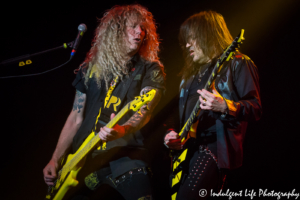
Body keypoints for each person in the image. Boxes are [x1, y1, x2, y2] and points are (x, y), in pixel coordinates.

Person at [43, 4, 165, 200]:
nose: (139, 32)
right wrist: (55, 159)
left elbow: (145, 108)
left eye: (143, 28)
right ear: (116, 31)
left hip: (126, 156)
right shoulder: (90, 69)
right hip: (82, 162)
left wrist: (123, 129)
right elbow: (75, 117)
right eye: (133, 26)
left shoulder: (150, 69)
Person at [164, 10, 262, 200]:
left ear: (208, 34)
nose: (186, 45)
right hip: (186, 154)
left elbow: (256, 108)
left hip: (213, 149)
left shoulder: (238, 63)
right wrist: (170, 135)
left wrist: (225, 106)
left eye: (191, 38)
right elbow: (177, 120)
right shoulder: (189, 78)